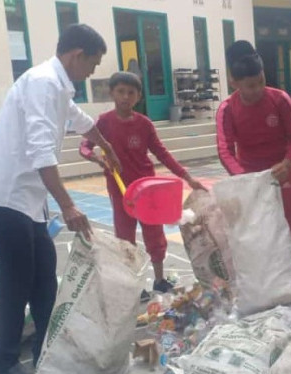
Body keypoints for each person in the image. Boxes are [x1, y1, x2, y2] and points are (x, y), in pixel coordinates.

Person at [0, 24, 120, 374]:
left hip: (27, 198)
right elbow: (40, 150)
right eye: (93, 63)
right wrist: (68, 205)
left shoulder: (58, 86)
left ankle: (45, 352)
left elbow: (77, 118)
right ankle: (2, 365)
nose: (93, 72)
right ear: (75, 56)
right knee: (16, 278)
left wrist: (104, 145)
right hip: (4, 195)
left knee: (44, 273)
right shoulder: (42, 82)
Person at [79, 71, 206, 297]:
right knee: (125, 237)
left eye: (131, 93)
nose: (125, 97)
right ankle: (133, 286)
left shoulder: (145, 124)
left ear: (138, 96)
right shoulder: (103, 122)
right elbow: (84, 147)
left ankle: (159, 280)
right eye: (120, 92)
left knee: (155, 235)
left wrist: (187, 177)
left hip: (148, 189)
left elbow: (162, 154)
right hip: (121, 190)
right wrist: (97, 158)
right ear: (112, 93)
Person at [217, 40, 291, 268]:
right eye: (250, 86)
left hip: (283, 173)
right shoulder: (227, 109)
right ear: (234, 82)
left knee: (290, 224)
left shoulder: (280, 99)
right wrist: (244, 177)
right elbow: (225, 149)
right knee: (256, 229)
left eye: (261, 82)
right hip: (248, 178)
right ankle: (265, 280)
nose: (257, 89)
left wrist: (288, 162)